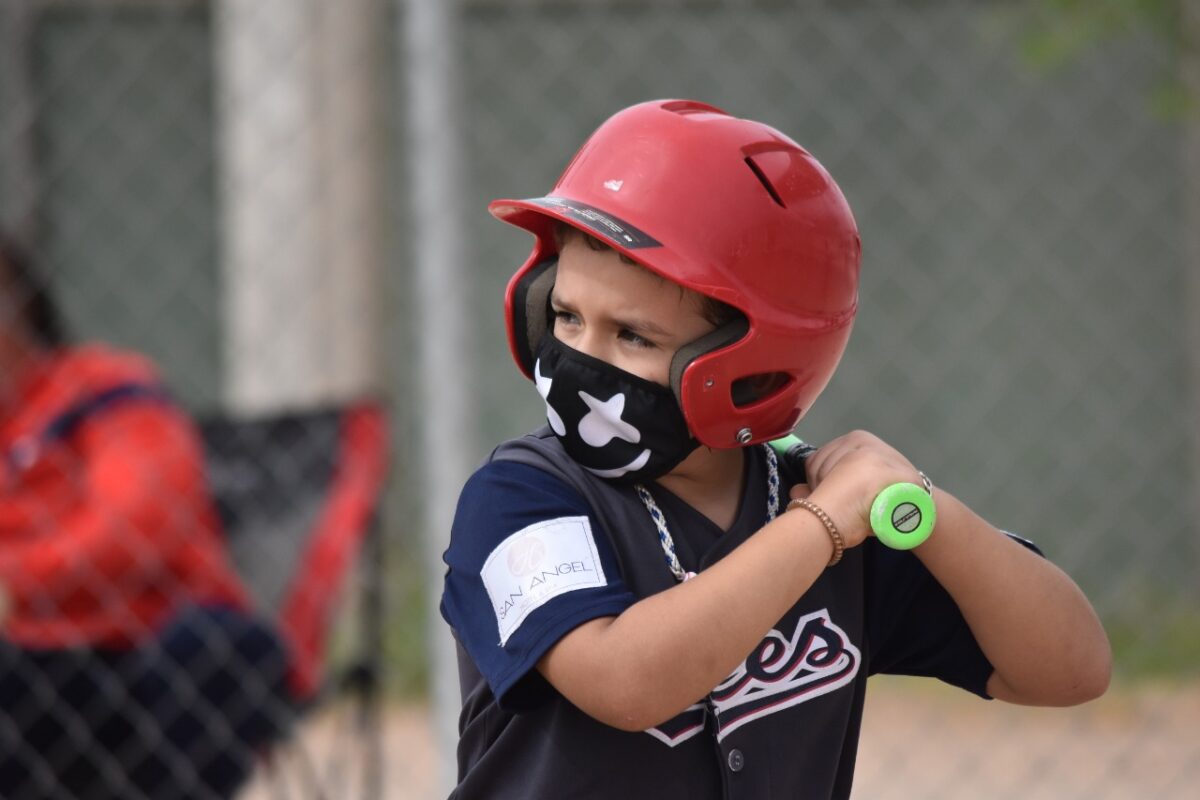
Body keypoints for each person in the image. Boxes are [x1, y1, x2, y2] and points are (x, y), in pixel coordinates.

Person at [440, 99, 1112, 799]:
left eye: (633, 335)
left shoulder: (820, 507)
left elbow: (1071, 670)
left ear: (754, 368)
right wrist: (819, 527)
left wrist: (921, 506)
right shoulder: (519, 499)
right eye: (565, 315)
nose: (581, 356)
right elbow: (625, 682)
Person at [0, 233, 291, 799]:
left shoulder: (101, 389)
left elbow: (134, 531)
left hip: (137, 650)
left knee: (217, 649)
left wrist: (15, 581)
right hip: (22, 664)